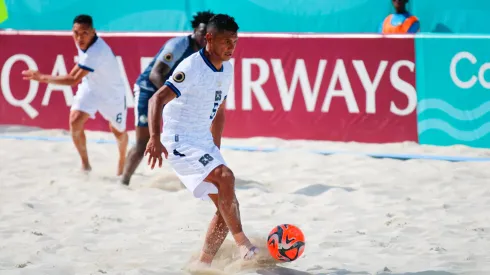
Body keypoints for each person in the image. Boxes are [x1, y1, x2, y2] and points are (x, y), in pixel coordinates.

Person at [144, 14, 259, 265]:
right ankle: (244, 245)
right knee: (226, 178)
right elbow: (156, 99)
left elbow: (219, 112)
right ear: (209, 38)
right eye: (225, 41)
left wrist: (215, 151)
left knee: (227, 208)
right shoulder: (191, 66)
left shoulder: (227, 68)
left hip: (203, 142)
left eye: (235, 41)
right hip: (179, 140)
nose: (231, 47)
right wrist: (154, 138)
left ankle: (203, 263)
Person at [22, 14, 128, 175]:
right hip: (91, 87)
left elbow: (72, 80)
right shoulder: (84, 43)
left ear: (93, 32)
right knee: (75, 121)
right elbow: (77, 69)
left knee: (118, 131)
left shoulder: (97, 51)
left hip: (111, 94)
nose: (79, 38)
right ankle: (86, 165)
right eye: (76, 33)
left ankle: (122, 162)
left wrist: (42, 77)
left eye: (84, 33)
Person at [120, 10, 215, 186]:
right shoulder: (178, 45)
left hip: (171, 94)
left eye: (208, 35)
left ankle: (196, 179)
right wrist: (177, 99)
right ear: (195, 31)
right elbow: (155, 75)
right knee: (143, 142)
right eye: (202, 34)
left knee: (189, 138)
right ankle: (124, 181)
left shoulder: (206, 55)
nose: (205, 38)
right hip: (149, 90)